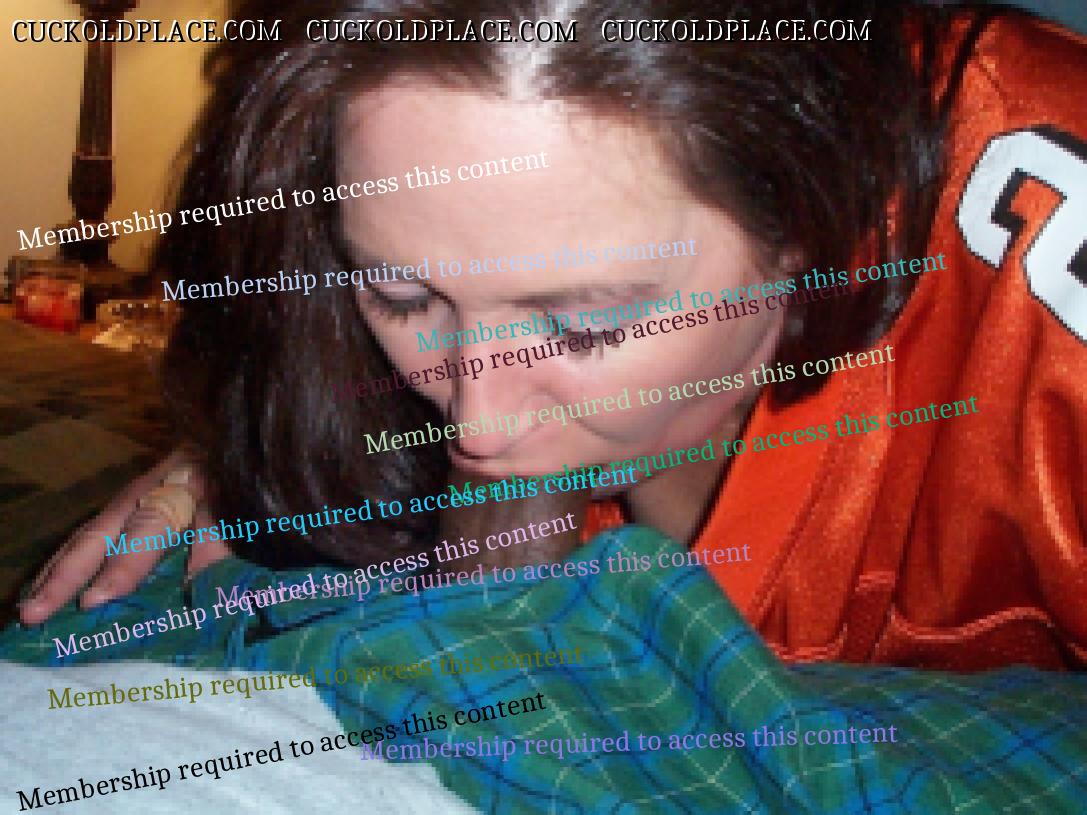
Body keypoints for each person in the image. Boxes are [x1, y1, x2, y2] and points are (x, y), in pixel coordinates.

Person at [17, 0, 1087, 672]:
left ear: (803, 218)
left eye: (583, 319)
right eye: (402, 295)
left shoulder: (1037, 244)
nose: (476, 420)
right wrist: (274, 433)